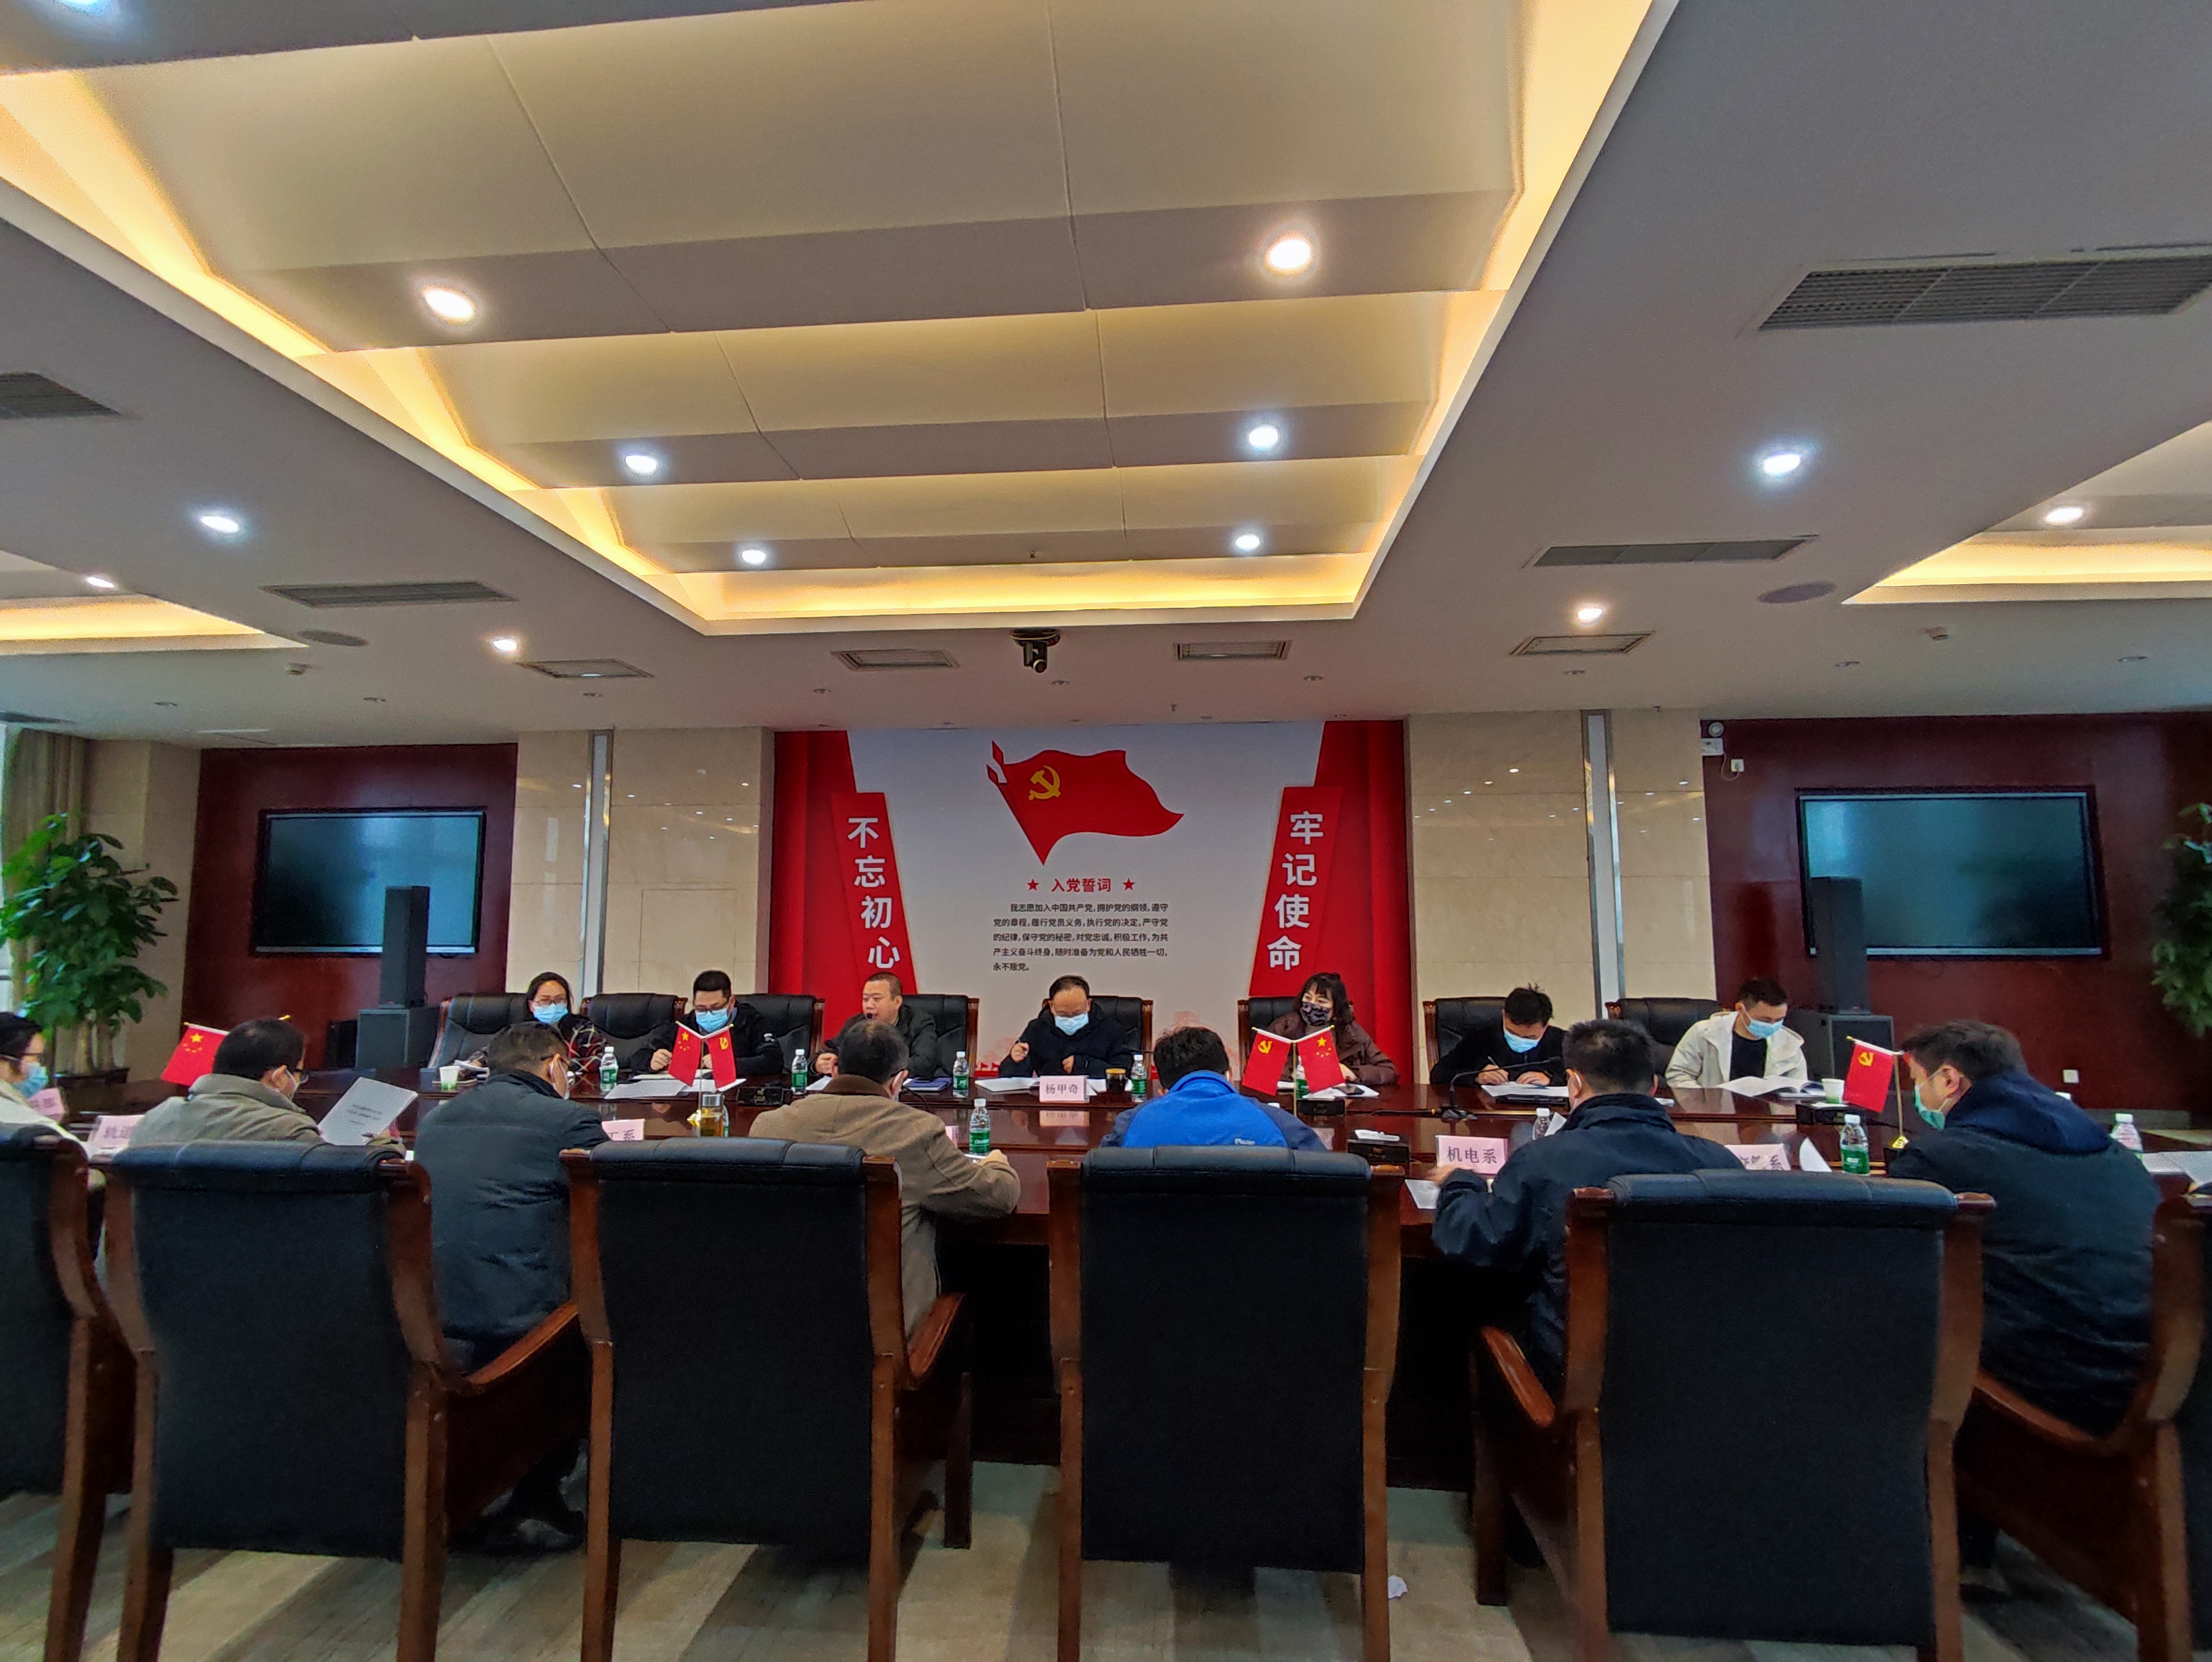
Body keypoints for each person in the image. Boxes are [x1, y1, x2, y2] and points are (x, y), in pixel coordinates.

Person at [1432, 1018, 1740, 1387]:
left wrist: (1460, 1183)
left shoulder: (1544, 1161)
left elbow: (1473, 1239)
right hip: (1704, 1376)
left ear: (1574, 1084)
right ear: (1654, 1087)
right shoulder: (1722, 1165)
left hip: (1575, 1378)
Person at [1890, 1021, 2157, 1435]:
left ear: (1948, 1079)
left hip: (2041, 1398)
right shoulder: (2118, 1156)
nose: (1917, 1096)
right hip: (2146, 1388)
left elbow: (1892, 1277)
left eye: (1916, 1081)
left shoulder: (1937, 1161)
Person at [413, 1021, 604, 1549]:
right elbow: (611, 1211)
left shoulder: (435, 1120)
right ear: (555, 1066)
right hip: (523, 1324)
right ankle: (540, 1497)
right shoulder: (570, 1122)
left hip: (436, 1314)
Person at [752, 1020, 1020, 1336]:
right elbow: (996, 1198)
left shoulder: (768, 1127)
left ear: (835, 1069)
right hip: (886, 1340)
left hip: (782, 1330)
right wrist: (997, 1164)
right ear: (899, 1081)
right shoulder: (915, 1132)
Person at [130, 1019, 357, 1147]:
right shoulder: (291, 1131)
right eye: (300, 1072)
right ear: (279, 1077)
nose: (300, 1081)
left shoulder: (154, 1119)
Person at [1103, 1025, 1325, 1149]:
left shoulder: (1130, 1124)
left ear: (1163, 1091)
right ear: (1229, 1075)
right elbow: (1327, 1180)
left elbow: (1099, 1182)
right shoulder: (1282, 1125)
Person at [1666, 977, 1808, 1089]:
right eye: (1765, 1020)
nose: (1772, 1025)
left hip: (1770, 1114)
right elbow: (1678, 1076)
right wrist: (1706, 1101)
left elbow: (1798, 1088)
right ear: (1740, 1009)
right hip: (1715, 1113)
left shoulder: (1789, 1043)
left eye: (1779, 1020)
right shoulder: (1704, 1032)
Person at [1262, 971, 1398, 1087]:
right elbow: (1259, 1068)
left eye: (1321, 1002)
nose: (1312, 1005)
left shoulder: (1352, 1032)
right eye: (1308, 998)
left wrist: (1351, 1073)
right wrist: (1293, 1072)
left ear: (1336, 1008)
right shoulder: (1284, 1027)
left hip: (1340, 1103)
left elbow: (1389, 1071)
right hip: (1290, 1101)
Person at [643, 970, 788, 1077]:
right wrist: (651, 1061)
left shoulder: (751, 1021)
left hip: (736, 1094)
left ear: (731, 1003)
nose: (708, 1014)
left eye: (716, 1008)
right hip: (691, 1096)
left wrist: (728, 1064)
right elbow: (639, 1056)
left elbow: (773, 1061)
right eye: (701, 1008)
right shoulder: (686, 1024)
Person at [811, 971, 947, 1083]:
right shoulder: (856, 1024)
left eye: (876, 999)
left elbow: (924, 1064)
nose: (869, 1005)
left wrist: (875, 1068)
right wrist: (817, 1065)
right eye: (865, 999)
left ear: (897, 1002)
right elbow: (830, 1051)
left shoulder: (919, 1023)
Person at [1428, 986, 1567, 1090]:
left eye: (1530, 1037)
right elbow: (1439, 1074)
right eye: (1512, 1033)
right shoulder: (1482, 1038)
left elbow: (1579, 1078)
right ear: (1504, 1016)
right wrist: (1476, 1077)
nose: (1520, 1040)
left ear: (1546, 1026)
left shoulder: (1562, 1041)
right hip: (1490, 1112)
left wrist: (1552, 1080)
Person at [998, 975, 1135, 1078]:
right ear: (1051, 1006)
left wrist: (1085, 1065)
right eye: (1063, 1014)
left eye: (1077, 1013)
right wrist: (1015, 1061)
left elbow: (1126, 1072)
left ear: (1088, 1004)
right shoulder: (1037, 1029)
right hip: (1049, 1100)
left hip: (1099, 1101)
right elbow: (1010, 1078)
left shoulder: (1111, 1029)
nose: (1071, 1019)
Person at [0, 1013, 76, 1143]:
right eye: (36, 1057)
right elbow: (74, 1147)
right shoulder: (9, 1113)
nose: (38, 1065)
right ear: (4, 1060)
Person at [523, 971, 591, 1055]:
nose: (553, 1006)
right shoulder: (519, 1036)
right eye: (545, 1000)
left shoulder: (584, 1030)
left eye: (560, 999)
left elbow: (599, 1058)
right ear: (531, 1006)